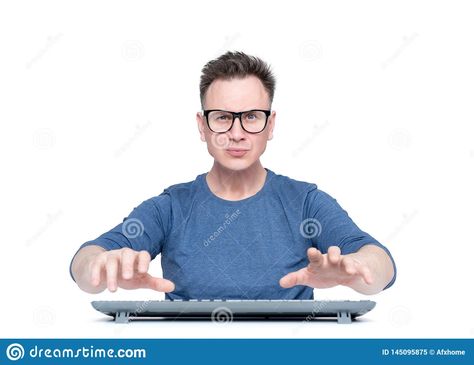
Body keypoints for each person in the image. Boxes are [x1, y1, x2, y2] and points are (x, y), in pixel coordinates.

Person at [70, 51, 396, 299]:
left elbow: (379, 262)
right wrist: (100, 267)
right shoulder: (170, 208)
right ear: (202, 126)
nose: (236, 133)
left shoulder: (306, 203)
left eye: (252, 117)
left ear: (270, 125)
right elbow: (85, 261)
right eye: (223, 117)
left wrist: (356, 274)